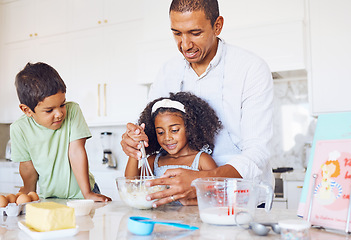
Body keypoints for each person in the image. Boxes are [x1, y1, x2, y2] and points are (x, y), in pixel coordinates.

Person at [121, 0, 273, 207]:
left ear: (217, 25)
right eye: (177, 33)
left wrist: (204, 181)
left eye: (195, 33)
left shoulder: (250, 69)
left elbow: (257, 152)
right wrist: (135, 140)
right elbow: (153, 133)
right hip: (184, 203)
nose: (185, 45)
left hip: (241, 198)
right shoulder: (168, 71)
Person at [10, 62, 111, 202]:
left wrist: (87, 193)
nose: (59, 114)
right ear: (27, 110)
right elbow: (27, 167)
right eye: (49, 110)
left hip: (82, 195)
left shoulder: (73, 111)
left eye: (62, 104)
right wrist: (29, 195)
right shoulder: (19, 128)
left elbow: (76, 151)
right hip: (50, 198)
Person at [125, 92, 221, 199]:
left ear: (190, 128)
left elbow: (217, 193)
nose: (167, 138)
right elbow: (131, 184)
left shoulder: (202, 160)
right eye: (160, 132)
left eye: (174, 130)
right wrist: (135, 149)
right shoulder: (154, 161)